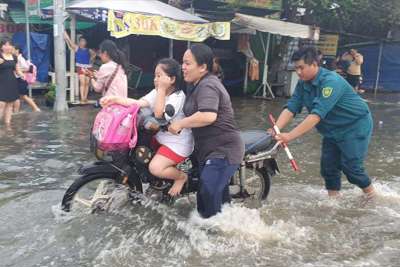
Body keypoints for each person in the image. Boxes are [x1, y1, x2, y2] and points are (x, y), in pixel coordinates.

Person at [271, 46, 375, 199]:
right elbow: (292, 107)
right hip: (331, 129)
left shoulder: (330, 82)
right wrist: (276, 128)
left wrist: (290, 136)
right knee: (328, 168)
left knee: (352, 169)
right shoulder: (303, 83)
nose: (298, 72)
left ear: (314, 64)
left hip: (354, 126)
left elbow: (316, 116)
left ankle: (372, 196)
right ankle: (333, 201)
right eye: (296, 68)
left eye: (301, 67)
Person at [168, 44, 245, 218]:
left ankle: (213, 235)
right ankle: (227, 226)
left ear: (202, 67)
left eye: (188, 63)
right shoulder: (195, 84)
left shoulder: (208, 85)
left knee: (207, 193)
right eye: (183, 63)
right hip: (206, 150)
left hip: (223, 150)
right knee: (216, 199)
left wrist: (180, 124)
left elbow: (208, 116)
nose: (183, 67)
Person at [100, 58, 194, 196]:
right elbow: (139, 103)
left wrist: (161, 89)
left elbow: (159, 115)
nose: (155, 79)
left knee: (155, 168)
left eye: (159, 76)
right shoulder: (157, 92)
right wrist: (114, 99)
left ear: (172, 79)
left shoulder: (177, 97)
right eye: (155, 76)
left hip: (177, 144)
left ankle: (180, 177)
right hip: (160, 138)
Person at [64, 31, 96, 103]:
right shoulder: (77, 48)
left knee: (87, 83)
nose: (82, 42)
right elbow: (70, 42)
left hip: (89, 67)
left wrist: (92, 59)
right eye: (81, 41)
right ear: (79, 42)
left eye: (84, 41)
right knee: (82, 82)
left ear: (86, 42)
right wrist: (66, 36)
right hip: (80, 67)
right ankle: (82, 98)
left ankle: (85, 98)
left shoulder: (89, 50)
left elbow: (94, 54)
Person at [0, 39, 24, 126]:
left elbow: (17, 69)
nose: (7, 47)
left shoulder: (14, 57)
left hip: (11, 81)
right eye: (5, 45)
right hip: (1, 82)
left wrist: (21, 75)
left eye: (9, 45)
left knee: (10, 103)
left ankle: (7, 124)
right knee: (1, 103)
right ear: (1, 47)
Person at [12, 45, 41, 113]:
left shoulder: (20, 58)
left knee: (22, 96)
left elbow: (28, 69)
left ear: (17, 50)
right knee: (21, 96)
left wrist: (17, 70)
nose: (11, 51)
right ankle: (16, 111)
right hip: (20, 79)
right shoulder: (17, 58)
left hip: (21, 79)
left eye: (13, 49)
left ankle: (36, 109)